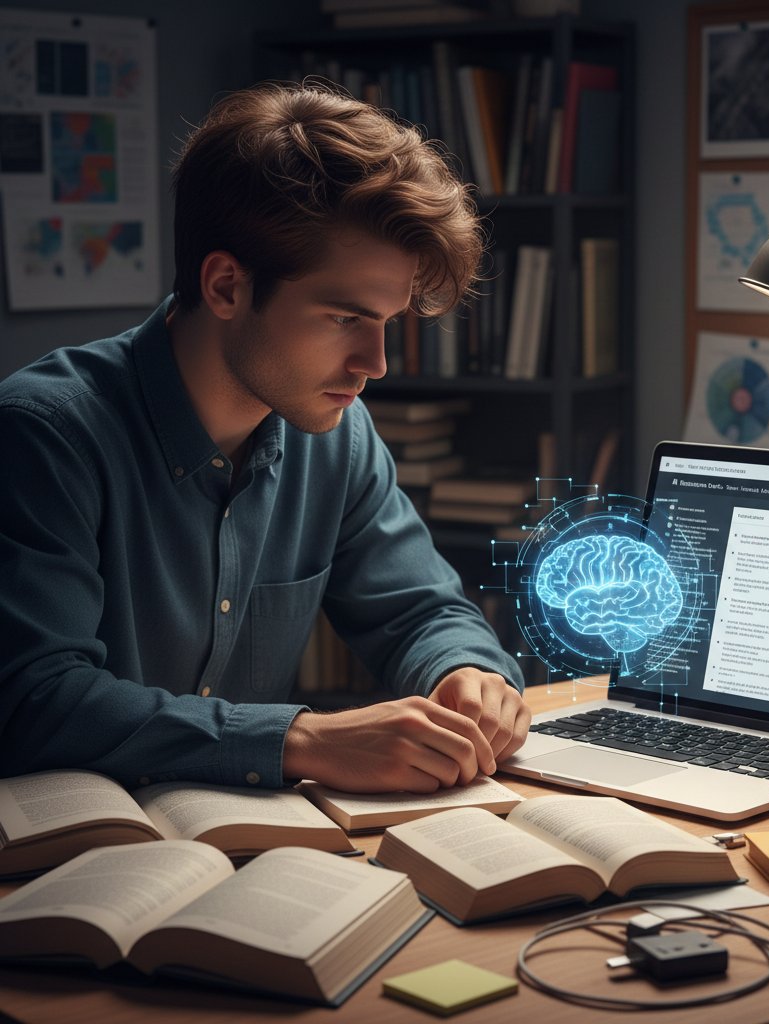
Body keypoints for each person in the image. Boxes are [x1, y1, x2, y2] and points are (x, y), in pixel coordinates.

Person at [0, 80, 530, 795]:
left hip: (247, 851)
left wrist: (468, 673)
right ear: (225, 286)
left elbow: (420, 610)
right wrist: (300, 738)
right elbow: (35, 701)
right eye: (345, 318)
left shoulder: (336, 437)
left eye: (388, 322)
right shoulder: (44, 436)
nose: (374, 366)